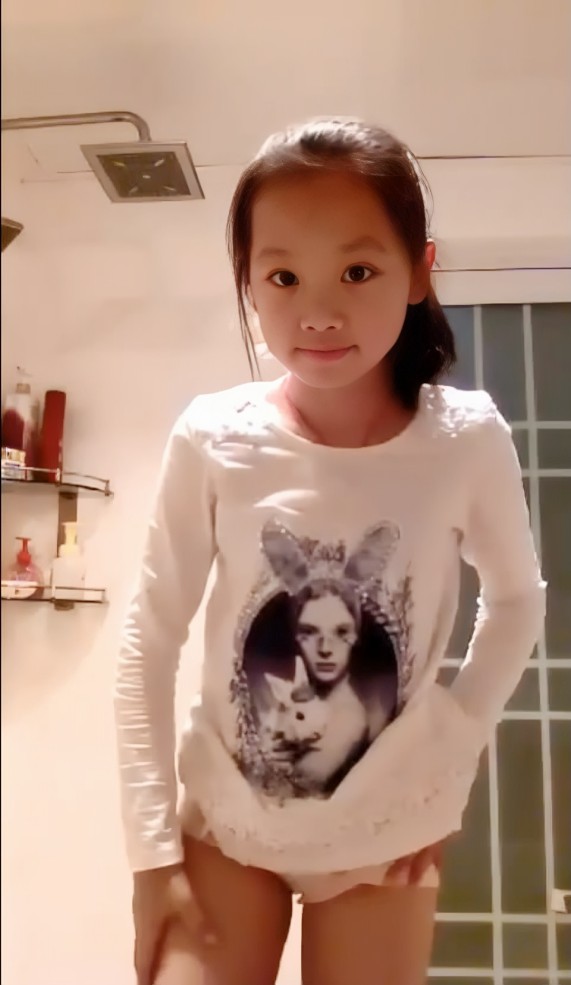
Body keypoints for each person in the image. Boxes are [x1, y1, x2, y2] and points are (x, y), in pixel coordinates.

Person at [116, 118, 546, 985]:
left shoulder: (464, 439)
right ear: (248, 281)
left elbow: (516, 600)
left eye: (357, 271)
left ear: (419, 270)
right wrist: (151, 854)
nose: (316, 312)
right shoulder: (214, 435)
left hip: (385, 838)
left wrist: (449, 751)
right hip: (225, 826)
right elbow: (148, 639)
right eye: (282, 276)